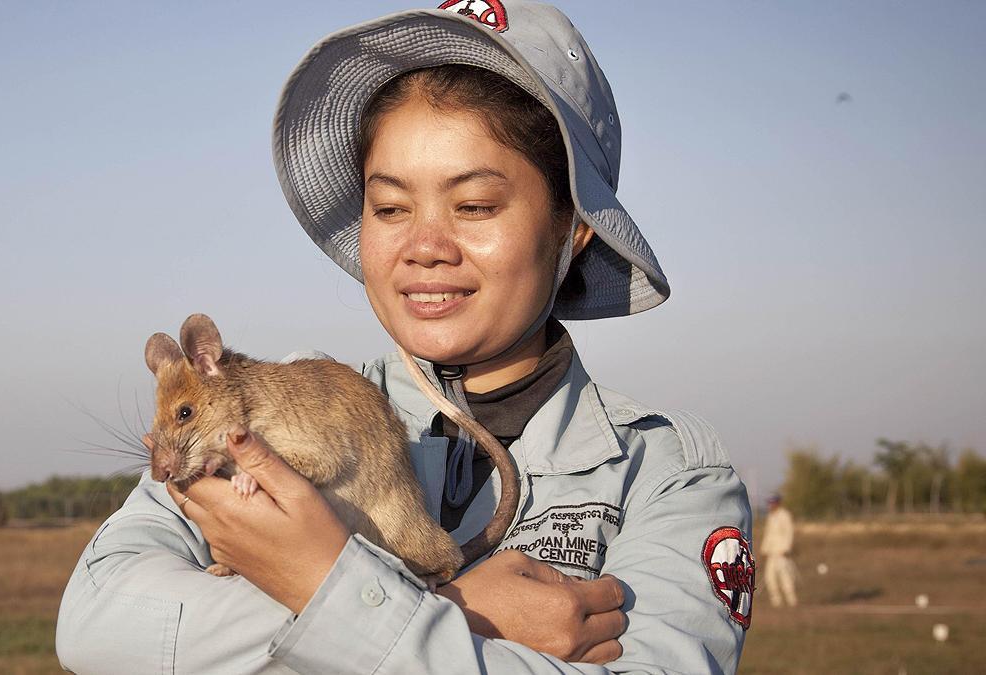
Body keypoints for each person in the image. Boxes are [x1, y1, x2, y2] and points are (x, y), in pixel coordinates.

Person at [56, 2, 754, 672]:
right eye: (389, 206)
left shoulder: (666, 474)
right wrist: (453, 615)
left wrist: (332, 610)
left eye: (474, 204)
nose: (424, 246)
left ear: (573, 230)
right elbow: (100, 628)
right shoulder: (259, 421)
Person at [760, 494, 798, 608]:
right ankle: (776, 602)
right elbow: (768, 535)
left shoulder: (784, 515)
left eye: (772, 503)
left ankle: (792, 600)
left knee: (785, 576)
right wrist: (764, 549)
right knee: (769, 577)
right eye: (769, 503)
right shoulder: (770, 517)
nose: (770, 505)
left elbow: (789, 532)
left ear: (778, 503)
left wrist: (787, 548)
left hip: (782, 552)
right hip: (771, 552)